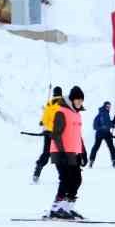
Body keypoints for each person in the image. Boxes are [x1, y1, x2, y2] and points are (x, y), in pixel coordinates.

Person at [46, 86, 87, 219]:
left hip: (73, 152)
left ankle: (67, 208)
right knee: (65, 179)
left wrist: (83, 152)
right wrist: (62, 152)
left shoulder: (77, 114)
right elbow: (56, 134)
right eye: (77, 100)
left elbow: (78, 135)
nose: (80, 102)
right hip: (60, 151)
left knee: (76, 180)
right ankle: (55, 209)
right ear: (71, 99)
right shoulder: (61, 112)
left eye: (81, 100)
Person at [32, 86, 62, 183]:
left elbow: (45, 117)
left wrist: (42, 122)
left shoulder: (49, 103)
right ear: (61, 93)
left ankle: (37, 171)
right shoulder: (63, 104)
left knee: (46, 152)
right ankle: (64, 176)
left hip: (48, 132)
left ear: (53, 93)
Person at [92, 101, 115, 167]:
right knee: (98, 147)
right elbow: (95, 126)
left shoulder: (106, 114)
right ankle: (91, 160)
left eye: (109, 106)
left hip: (105, 133)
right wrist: (102, 127)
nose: (108, 108)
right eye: (107, 106)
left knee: (109, 146)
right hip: (101, 133)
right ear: (104, 106)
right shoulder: (101, 114)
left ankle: (114, 159)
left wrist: (112, 125)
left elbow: (108, 123)